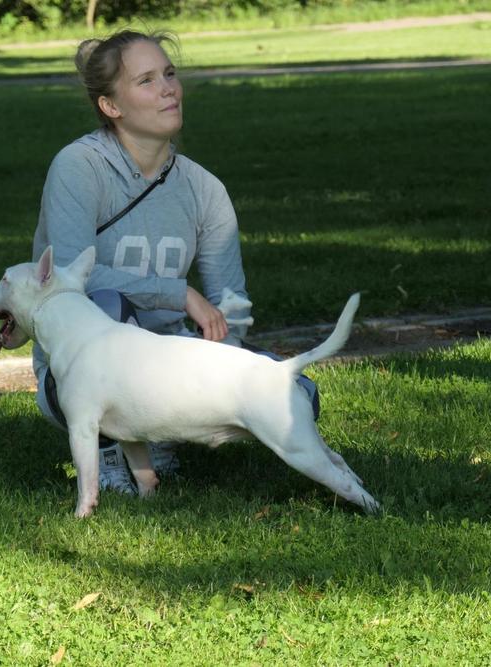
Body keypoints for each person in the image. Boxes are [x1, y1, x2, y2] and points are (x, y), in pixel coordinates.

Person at [31, 29, 318, 494]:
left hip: (170, 366)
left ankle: (160, 432)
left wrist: (227, 366)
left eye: (169, 74)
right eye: (146, 80)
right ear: (111, 106)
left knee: (297, 394)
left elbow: (230, 301)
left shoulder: (204, 189)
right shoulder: (79, 167)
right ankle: (107, 454)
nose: (168, 89)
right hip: (82, 371)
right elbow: (65, 280)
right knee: (105, 301)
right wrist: (178, 293)